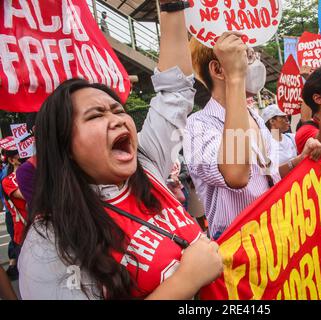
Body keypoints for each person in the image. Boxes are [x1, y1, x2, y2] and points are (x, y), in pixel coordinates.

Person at [18, 4, 222, 300]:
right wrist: (185, 282)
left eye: (117, 109)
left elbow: (175, 92)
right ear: (65, 146)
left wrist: (172, 8)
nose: (116, 119)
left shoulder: (147, 164)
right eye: (95, 115)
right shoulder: (48, 244)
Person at [185, 35, 321, 240]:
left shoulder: (255, 117)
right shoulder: (198, 125)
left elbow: (267, 177)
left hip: (273, 234)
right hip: (239, 248)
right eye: (247, 56)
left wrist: (299, 160)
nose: (255, 64)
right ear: (218, 70)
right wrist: (235, 78)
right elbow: (236, 175)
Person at [1, 148, 28, 281]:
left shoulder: (34, 173)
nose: (25, 159)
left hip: (44, 231)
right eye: (21, 157)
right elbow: (29, 195)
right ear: (12, 160)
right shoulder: (8, 180)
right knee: (29, 276)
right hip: (24, 234)